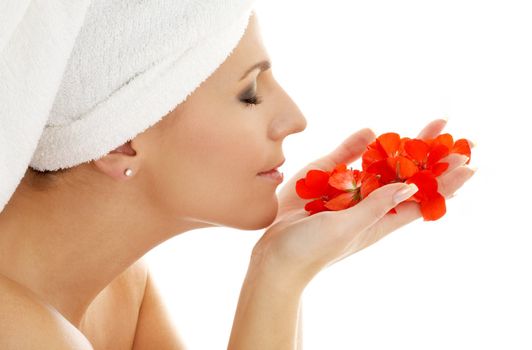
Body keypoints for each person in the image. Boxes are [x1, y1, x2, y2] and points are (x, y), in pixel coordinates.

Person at [0, 4, 476, 350]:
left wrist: (281, 261)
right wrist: (279, 276)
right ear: (120, 141)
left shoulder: (124, 288)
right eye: (250, 93)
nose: (295, 118)